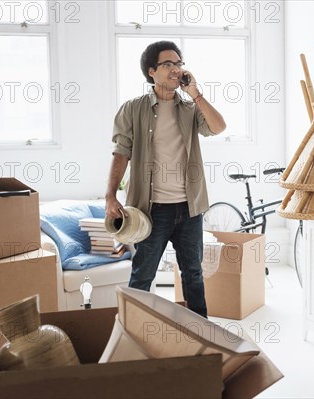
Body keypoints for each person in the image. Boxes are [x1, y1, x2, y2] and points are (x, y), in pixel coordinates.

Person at [105, 41, 226, 317]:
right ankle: (132, 334)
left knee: (193, 276)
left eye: (179, 63)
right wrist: (111, 195)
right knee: (142, 277)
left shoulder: (190, 108)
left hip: (190, 208)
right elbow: (121, 153)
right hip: (152, 211)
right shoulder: (132, 109)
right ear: (151, 72)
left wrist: (196, 93)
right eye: (168, 64)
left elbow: (218, 127)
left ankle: (200, 337)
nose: (175, 69)